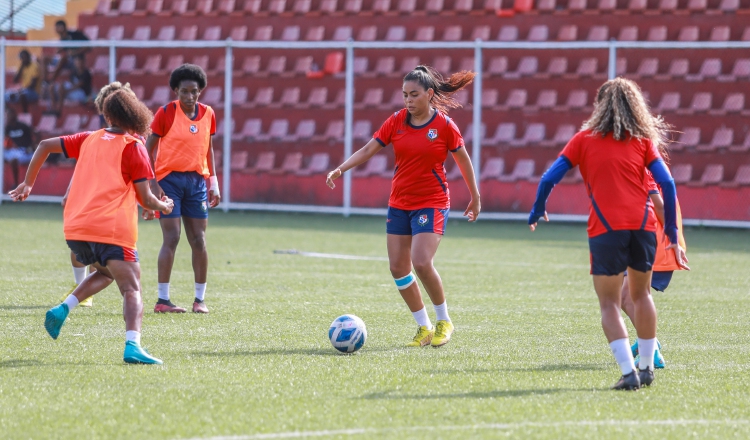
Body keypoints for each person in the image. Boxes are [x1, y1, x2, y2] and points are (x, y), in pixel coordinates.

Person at [529, 77, 687, 390]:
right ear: (636, 107)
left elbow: (549, 177)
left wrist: (537, 209)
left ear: (600, 106)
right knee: (641, 296)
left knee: (609, 305)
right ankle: (646, 368)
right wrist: (670, 232)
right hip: (643, 228)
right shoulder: (643, 141)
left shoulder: (583, 139)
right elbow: (667, 184)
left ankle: (629, 374)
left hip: (606, 229)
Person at [8, 89, 174, 365]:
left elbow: (45, 145)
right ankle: (133, 345)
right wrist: (163, 206)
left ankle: (64, 308)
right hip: (111, 231)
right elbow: (145, 198)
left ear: (106, 115)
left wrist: (28, 183)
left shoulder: (88, 138)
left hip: (76, 232)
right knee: (132, 289)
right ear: (137, 114)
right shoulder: (134, 147)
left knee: (107, 273)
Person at [326, 65, 481, 348]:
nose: (408, 101)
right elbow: (368, 149)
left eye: (414, 95)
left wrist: (475, 195)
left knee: (421, 262)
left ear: (429, 94)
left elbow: (463, 160)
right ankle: (424, 328)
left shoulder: (445, 125)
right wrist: (341, 169)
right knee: (398, 268)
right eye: (404, 95)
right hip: (399, 203)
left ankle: (444, 320)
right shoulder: (397, 121)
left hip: (432, 202)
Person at [145, 64, 221, 314]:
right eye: (185, 91)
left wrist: (214, 182)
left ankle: (200, 300)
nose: (190, 97)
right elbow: (148, 149)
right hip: (169, 182)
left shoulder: (208, 113)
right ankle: (162, 300)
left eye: (195, 92)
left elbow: (208, 149)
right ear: (176, 90)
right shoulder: (165, 113)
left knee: (199, 240)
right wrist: (151, 182)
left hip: (197, 182)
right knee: (172, 237)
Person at [60, 82, 140, 308]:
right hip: (101, 205)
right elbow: (86, 165)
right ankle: (84, 290)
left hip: (118, 206)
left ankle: (81, 293)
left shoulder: (134, 140)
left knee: (101, 257)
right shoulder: (97, 135)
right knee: (103, 258)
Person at [622, 170, 690, 369]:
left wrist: (674, 240)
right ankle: (649, 341)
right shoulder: (643, 159)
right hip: (640, 239)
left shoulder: (643, 162)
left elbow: (660, 206)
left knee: (627, 296)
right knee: (623, 296)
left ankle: (650, 349)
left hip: (656, 242)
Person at [4, 108, 35, 188]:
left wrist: (32, 147)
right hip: (12, 150)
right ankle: (3, 184)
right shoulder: (6, 128)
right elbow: (5, 142)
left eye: (10, 114)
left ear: (15, 115)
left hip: (24, 151)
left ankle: (16, 184)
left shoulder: (23, 126)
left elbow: (36, 135)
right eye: (7, 115)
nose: (8, 116)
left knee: (13, 160)